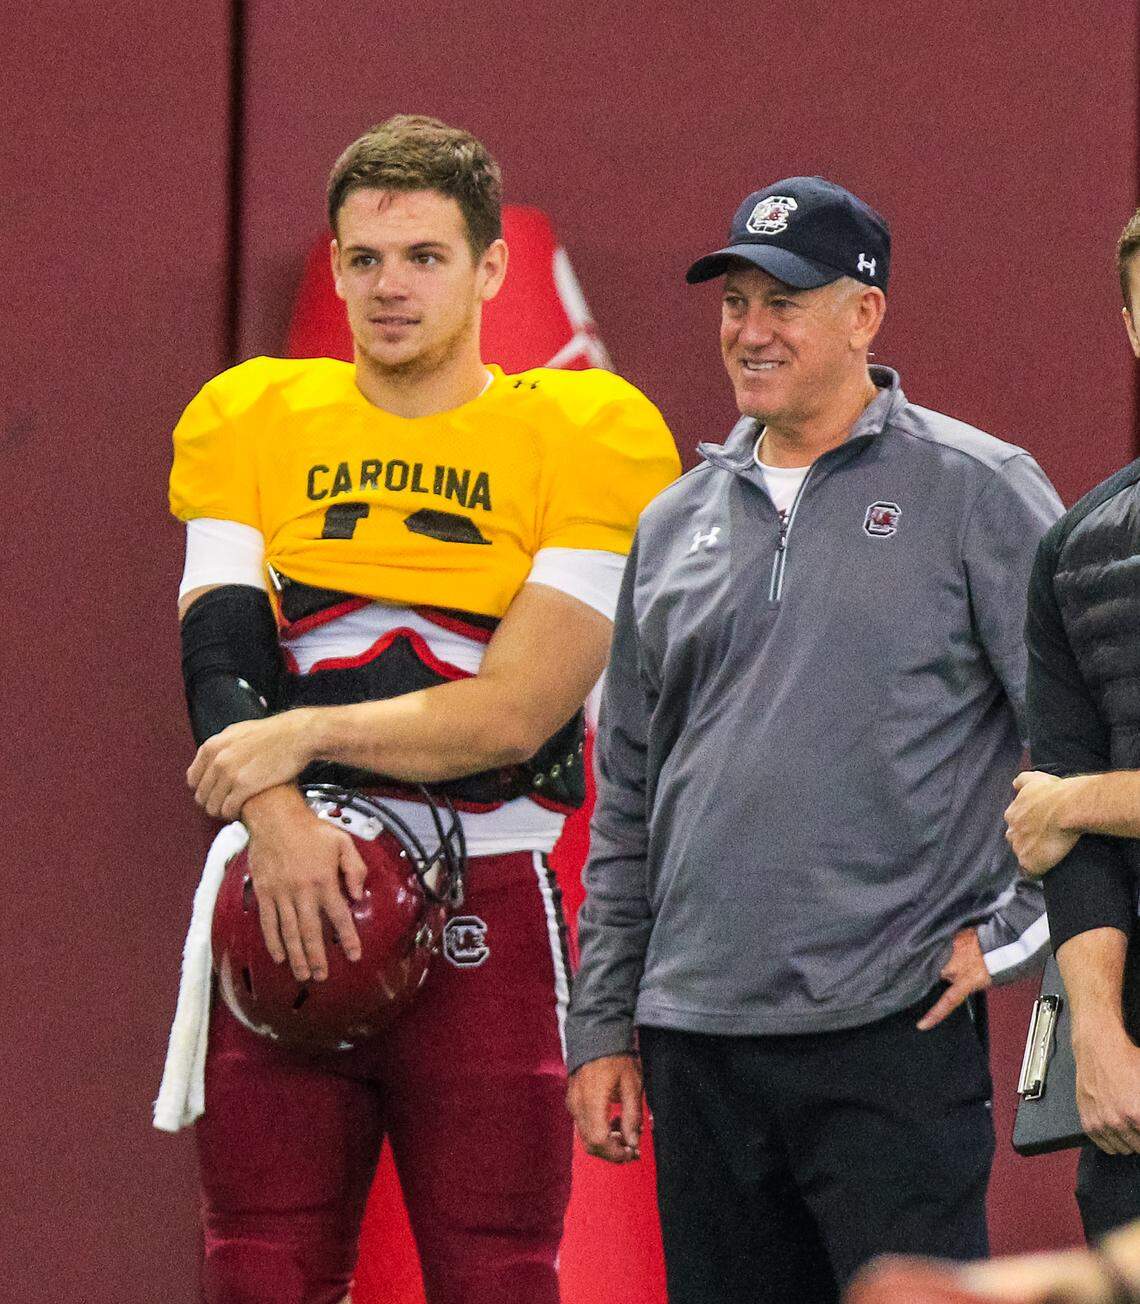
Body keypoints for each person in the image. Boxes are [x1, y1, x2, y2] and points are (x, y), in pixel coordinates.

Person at [164, 114, 680, 1304]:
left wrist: (300, 737)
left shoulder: (585, 433)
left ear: (492, 268)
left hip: (484, 893)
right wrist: (281, 822)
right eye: (364, 259)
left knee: (497, 1276)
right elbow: (223, 657)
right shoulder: (255, 416)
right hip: (284, 886)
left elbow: (514, 712)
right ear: (336, 266)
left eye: (426, 257)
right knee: (256, 1271)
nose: (389, 286)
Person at [563, 176, 1063, 1304]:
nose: (751, 330)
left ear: (864, 316)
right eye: (734, 301)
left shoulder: (978, 489)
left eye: (784, 300)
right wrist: (602, 1021)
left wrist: (1014, 936)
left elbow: (1080, 742)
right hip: (694, 1038)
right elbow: (630, 790)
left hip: (891, 1028)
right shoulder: (673, 518)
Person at [1003, 206, 1140, 1239]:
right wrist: (1096, 1033)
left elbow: (1062, 803)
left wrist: (1079, 799)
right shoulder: (1078, 548)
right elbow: (1066, 844)